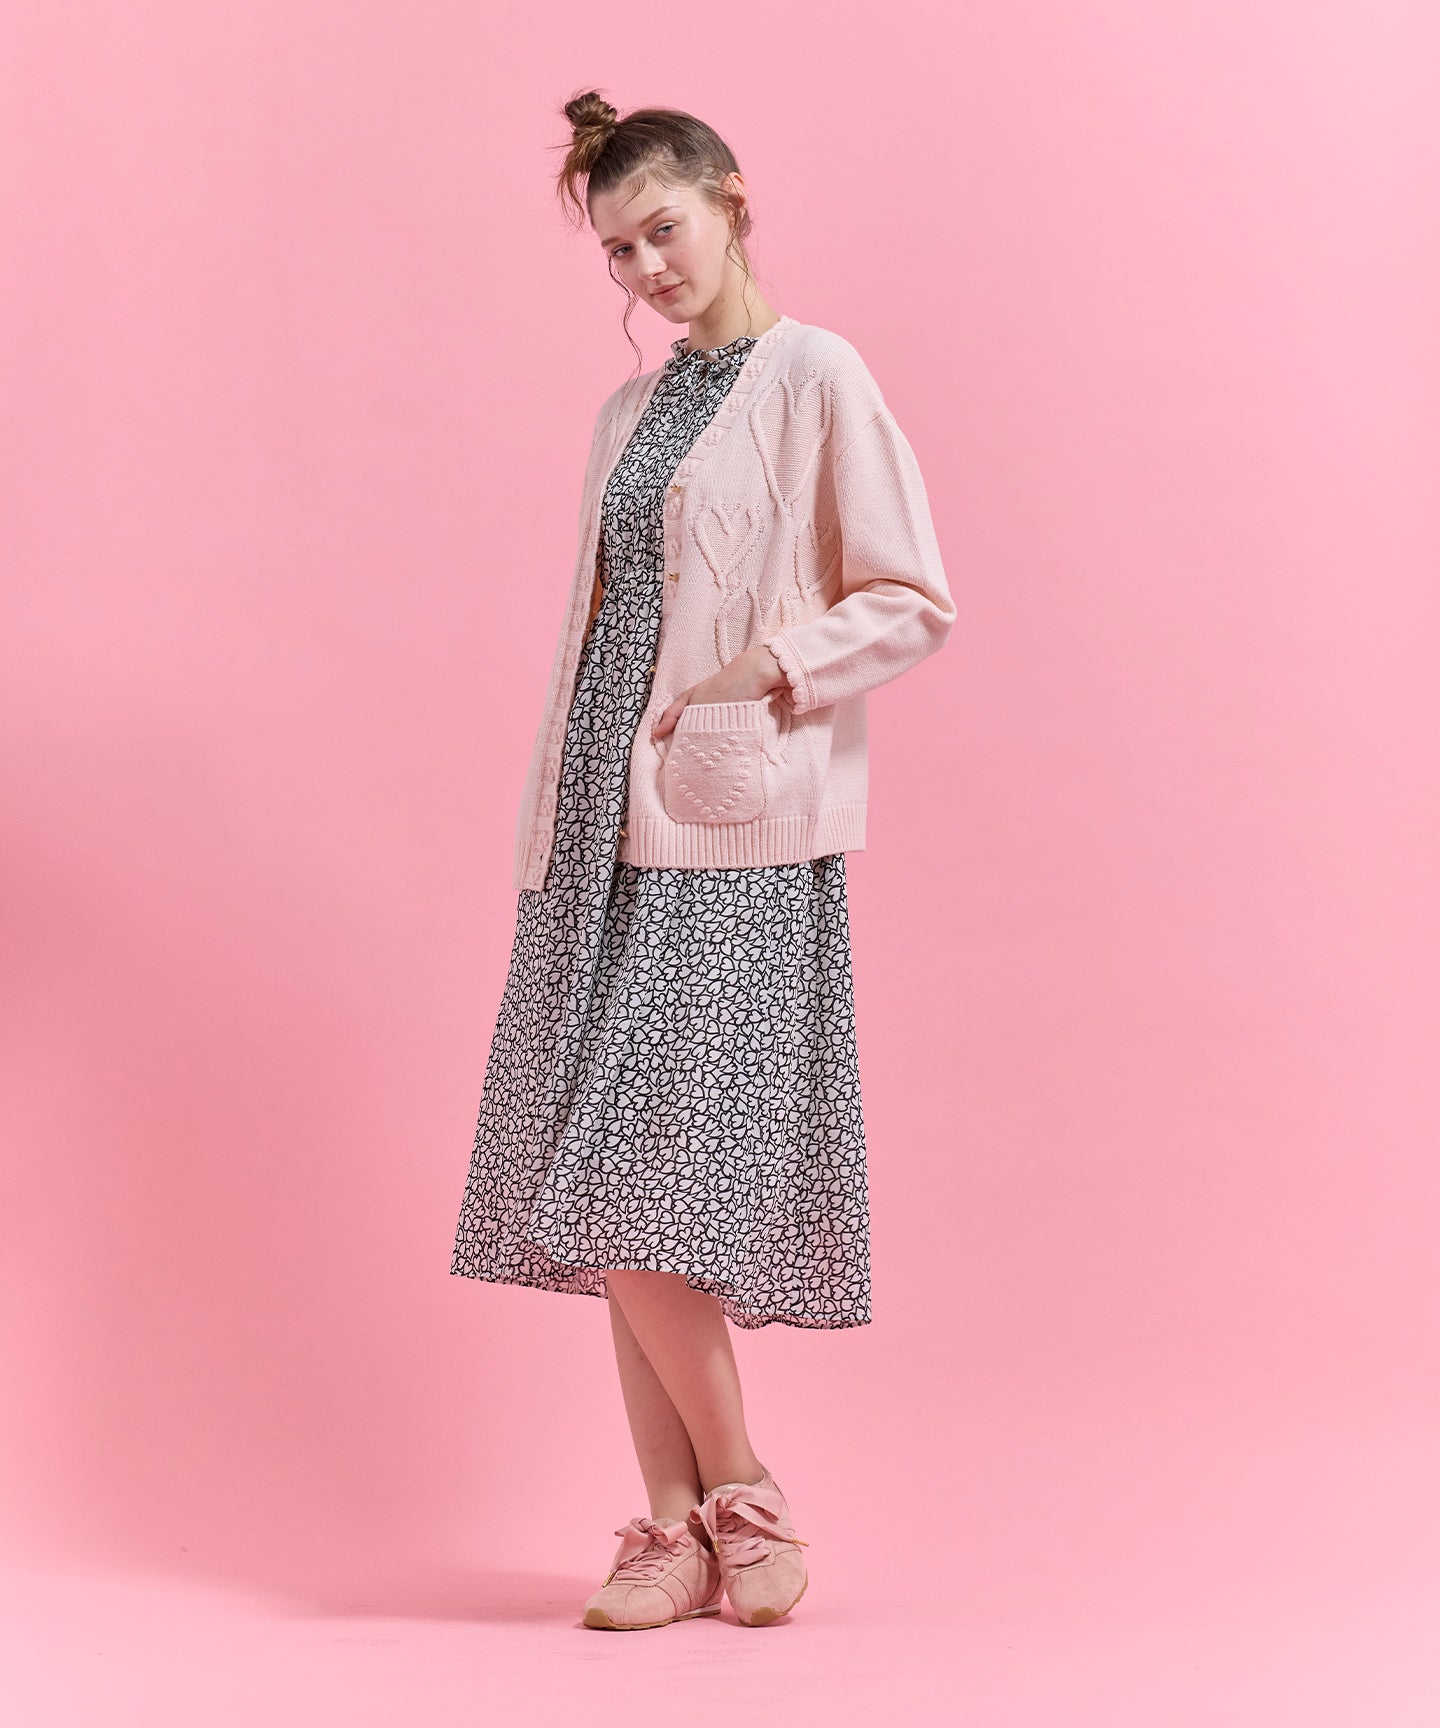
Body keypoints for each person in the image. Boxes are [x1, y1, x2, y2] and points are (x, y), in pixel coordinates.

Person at [450, 90, 955, 1631]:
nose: (646, 268)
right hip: (599, 829)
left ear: (731, 200)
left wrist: (769, 672)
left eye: (662, 229)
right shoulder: (628, 412)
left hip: (727, 830)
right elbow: (599, 624)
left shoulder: (818, 375)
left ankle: (738, 1490)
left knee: (637, 1173)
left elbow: (912, 597)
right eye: (618, 251)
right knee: (600, 1179)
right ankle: (673, 1529)